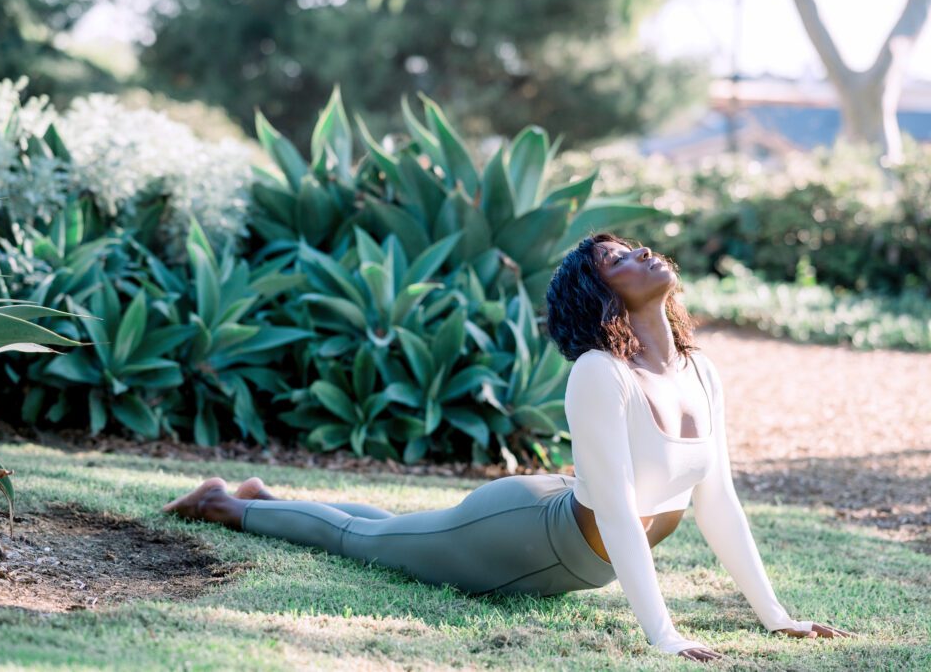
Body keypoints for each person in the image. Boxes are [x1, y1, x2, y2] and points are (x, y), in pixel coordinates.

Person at [162, 233, 853, 662]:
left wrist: (776, 617)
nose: (645, 252)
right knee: (369, 539)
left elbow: (717, 499)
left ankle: (269, 496)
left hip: (558, 519)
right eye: (618, 259)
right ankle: (229, 504)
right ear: (601, 296)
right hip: (527, 534)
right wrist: (662, 633)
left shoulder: (702, 370)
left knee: (389, 526)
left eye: (637, 247)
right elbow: (617, 515)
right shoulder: (599, 372)